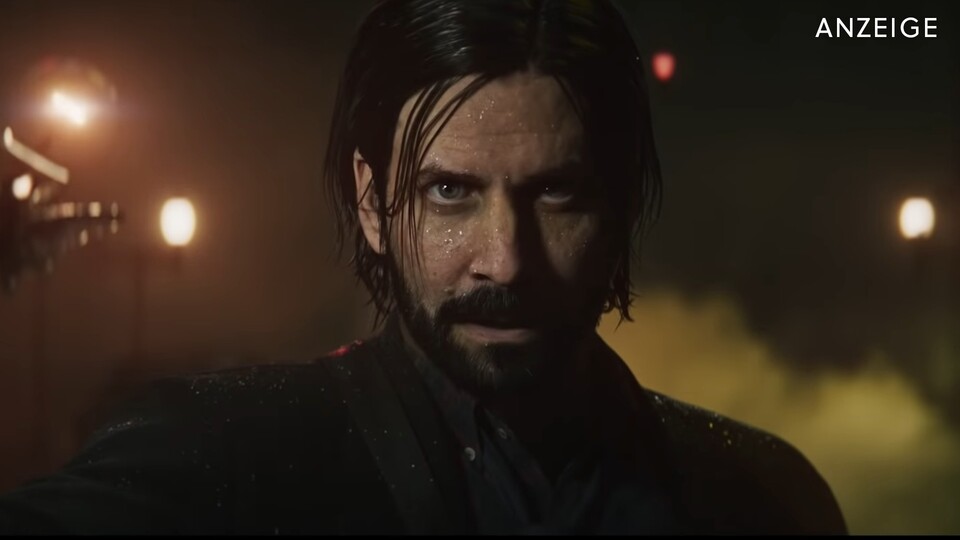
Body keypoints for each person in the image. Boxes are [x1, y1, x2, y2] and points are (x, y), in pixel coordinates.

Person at [0, 0, 847, 534]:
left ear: (617, 204)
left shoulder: (758, 496)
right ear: (372, 204)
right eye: (450, 192)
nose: (504, 260)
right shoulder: (219, 461)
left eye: (556, 194)